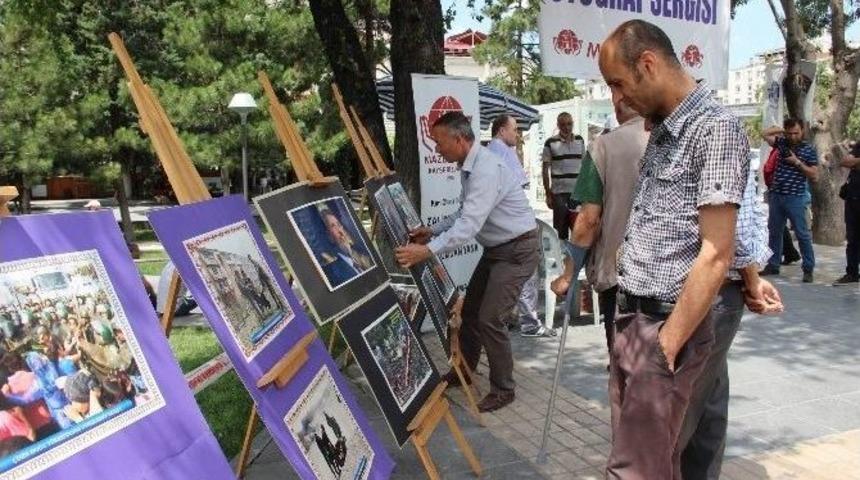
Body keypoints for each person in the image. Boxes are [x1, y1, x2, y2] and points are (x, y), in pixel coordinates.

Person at [598, 20, 749, 478]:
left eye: (618, 84)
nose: (617, 99)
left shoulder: (714, 129)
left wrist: (665, 349)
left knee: (639, 467)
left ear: (648, 64)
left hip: (669, 324)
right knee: (670, 451)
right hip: (636, 318)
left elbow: (716, 253)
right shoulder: (664, 128)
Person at [395, 111, 538, 413]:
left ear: (459, 139)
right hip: (498, 250)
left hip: (516, 250)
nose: (436, 149)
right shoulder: (469, 165)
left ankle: (504, 389)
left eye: (439, 142)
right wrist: (432, 230)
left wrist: (428, 249)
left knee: (490, 318)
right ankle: (465, 372)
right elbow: (464, 212)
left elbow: (468, 226)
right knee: (470, 312)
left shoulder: (486, 169)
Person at [550, 93, 649, 353]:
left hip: (622, 275)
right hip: (674, 279)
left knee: (625, 367)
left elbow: (589, 220)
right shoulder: (675, 137)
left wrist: (569, 275)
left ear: (617, 107)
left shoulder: (604, 145)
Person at [488, 115, 548, 337]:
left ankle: (507, 317)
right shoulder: (505, 152)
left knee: (504, 275)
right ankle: (529, 322)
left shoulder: (489, 152)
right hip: (515, 226)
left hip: (498, 228)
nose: (517, 134)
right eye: (514, 129)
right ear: (502, 131)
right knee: (527, 274)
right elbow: (520, 184)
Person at [760, 118, 819, 282]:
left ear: (803, 132)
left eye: (796, 133)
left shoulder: (808, 149)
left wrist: (797, 162)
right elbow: (765, 134)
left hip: (796, 197)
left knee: (802, 234)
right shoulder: (781, 143)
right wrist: (780, 130)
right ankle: (773, 264)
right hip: (777, 195)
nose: (793, 136)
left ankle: (808, 269)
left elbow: (814, 174)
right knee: (774, 232)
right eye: (790, 133)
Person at [542, 112, 585, 240]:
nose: (567, 127)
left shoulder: (580, 140)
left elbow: (585, 167)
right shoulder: (550, 142)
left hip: (577, 194)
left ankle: (575, 259)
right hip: (559, 194)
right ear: (558, 125)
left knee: (579, 231)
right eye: (563, 124)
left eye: (569, 124)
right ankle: (561, 259)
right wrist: (548, 194)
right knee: (560, 232)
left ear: (573, 124)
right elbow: (545, 169)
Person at [318, 208, 373, 287]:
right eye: (333, 226)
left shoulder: (358, 252)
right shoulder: (334, 271)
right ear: (327, 234)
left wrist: (350, 251)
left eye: (339, 225)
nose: (340, 231)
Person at [833, 140, 860, 284]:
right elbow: (844, 161)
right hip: (853, 199)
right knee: (853, 239)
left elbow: (851, 162)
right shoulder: (859, 145)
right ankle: (852, 273)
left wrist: (855, 163)